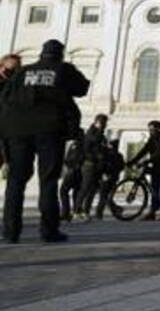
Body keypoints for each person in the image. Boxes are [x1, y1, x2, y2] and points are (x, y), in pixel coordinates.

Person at [1, 40, 90, 243]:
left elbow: (6, 97)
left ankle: (10, 232)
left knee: (15, 181)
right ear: (60, 54)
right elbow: (82, 88)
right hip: (49, 129)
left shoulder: (23, 72)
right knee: (48, 180)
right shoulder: (63, 69)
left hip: (17, 129)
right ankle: (49, 230)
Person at [129, 121, 160, 221]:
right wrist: (132, 161)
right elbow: (144, 150)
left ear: (158, 129)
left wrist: (147, 160)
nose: (151, 131)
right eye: (149, 129)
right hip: (156, 168)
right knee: (154, 190)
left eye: (153, 129)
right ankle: (153, 211)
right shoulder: (151, 139)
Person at [75, 113, 109, 220]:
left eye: (105, 123)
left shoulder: (100, 134)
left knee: (93, 189)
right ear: (98, 122)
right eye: (103, 123)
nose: (105, 125)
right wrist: (99, 130)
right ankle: (76, 210)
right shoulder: (91, 132)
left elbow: (101, 146)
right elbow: (93, 142)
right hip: (89, 164)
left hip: (97, 165)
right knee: (85, 188)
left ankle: (86, 211)